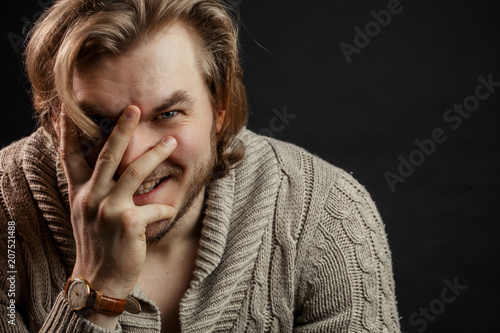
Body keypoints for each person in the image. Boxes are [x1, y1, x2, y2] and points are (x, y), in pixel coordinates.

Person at [0, 0, 401, 332]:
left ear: (220, 107)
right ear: (54, 120)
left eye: (168, 113)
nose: (130, 157)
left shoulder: (327, 213)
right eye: (98, 122)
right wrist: (95, 287)